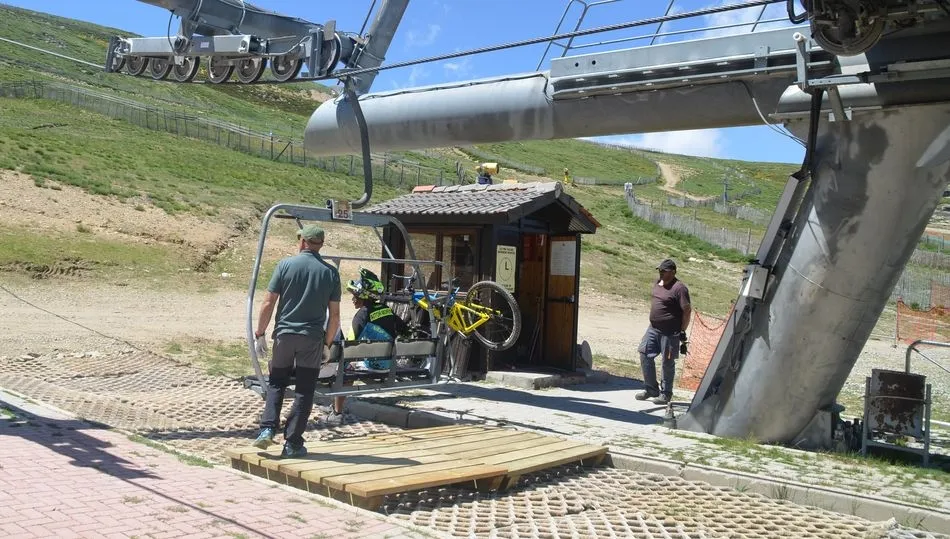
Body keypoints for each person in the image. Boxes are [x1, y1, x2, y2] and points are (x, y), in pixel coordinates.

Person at [252, 225, 341, 458]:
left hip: (284, 336)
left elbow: (268, 303)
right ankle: (292, 443)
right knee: (304, 390)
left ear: (302, 242)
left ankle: (267, 429)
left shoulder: (285, 265)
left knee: (277, 382)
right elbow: (335, 316)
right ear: (320, 245)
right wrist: (327, 344)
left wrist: (259, 333)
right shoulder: (330, 273)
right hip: (311, 340)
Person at [325, 269, 407, 422]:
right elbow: (406, 332)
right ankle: (334, 406)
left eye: (355, 295)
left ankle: (337, 412)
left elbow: (349, 346)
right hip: (389, 364)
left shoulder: (362, 315)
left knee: (346, 368)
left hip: (373, 365)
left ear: (364, 296)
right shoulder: (387, 310)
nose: (353, 299)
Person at [636, 258, 691, 405]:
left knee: (667, 362)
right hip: (653, 328)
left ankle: (666, 393)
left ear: (673, 272)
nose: (661, 273)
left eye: (664, 271)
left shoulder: (680, 288)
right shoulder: (658, 283)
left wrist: (682, 330)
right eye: (660, 270)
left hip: (670, 332)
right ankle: (651, 388)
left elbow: (687, 310)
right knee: (644, 353)